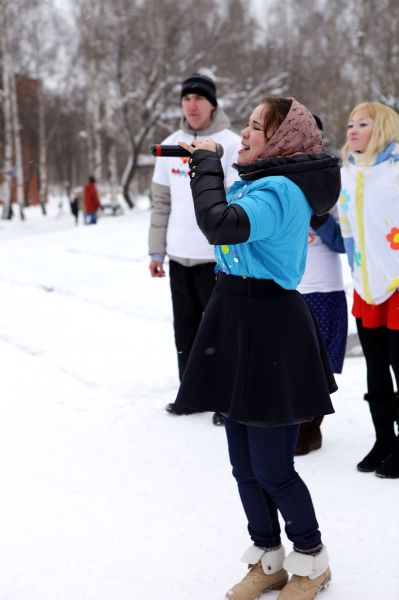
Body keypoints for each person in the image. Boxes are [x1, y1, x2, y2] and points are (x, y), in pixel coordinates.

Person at [175, 97, 340, 600]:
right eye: (244, 126)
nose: (242, 135)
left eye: (254, 128)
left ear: (283, 140)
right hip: (234, 316)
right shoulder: (256, 184)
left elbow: (220, 224)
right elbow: (223, 221)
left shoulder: (280, 191)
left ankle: (311, 560)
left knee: (272, 467)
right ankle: (268, 558)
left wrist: (206, 165)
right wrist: (208, 172)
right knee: (243, 467)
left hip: (272, 326)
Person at [148, 73, 241, 426]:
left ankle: (226, 396)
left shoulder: (230, 143)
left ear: (213, 104)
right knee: (185, 327)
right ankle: (191, 393)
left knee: (219, 330)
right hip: (178, 255)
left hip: (215, 257)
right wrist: (157, 252)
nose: (192, 105)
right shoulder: (170, 144)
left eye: (199, 98)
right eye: (186, 98)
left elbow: (235, 201)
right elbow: (161, 202)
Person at [338, 101, 399, 478]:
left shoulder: (395, 171)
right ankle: (384, 439)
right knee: (375, 367)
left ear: (382, 129)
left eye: (362, 123)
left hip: (397, 282)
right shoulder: (348, 172)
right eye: (349, 124)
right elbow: (345, 226)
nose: (352, 130)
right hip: (366, 283)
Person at [295, 116, 348, 455]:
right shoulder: (272, 177)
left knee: (320, 364)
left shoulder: (335, 178)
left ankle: (311, 426)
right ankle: (293, 423)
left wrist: (320, 218)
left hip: (324, 287)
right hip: (288, 287)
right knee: (291, 363)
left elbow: (345, 242)